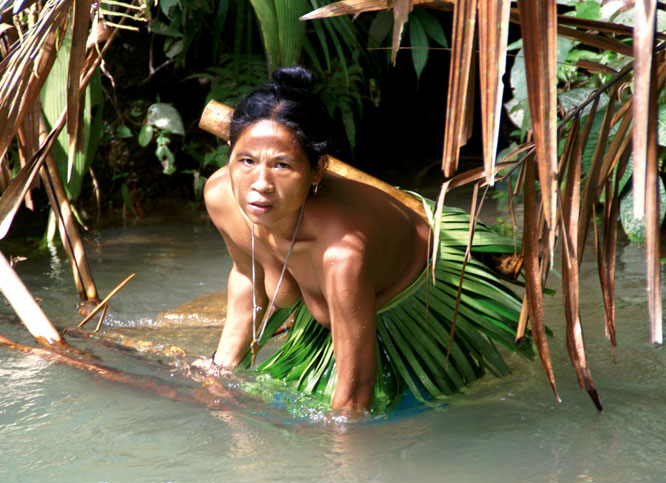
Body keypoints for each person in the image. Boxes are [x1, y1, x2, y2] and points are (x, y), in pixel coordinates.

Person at [198, 66, 529, 413]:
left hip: (414, 308)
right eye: (246, 160)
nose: (260, 182)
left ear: (318, 171)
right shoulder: (221, 197)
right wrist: (219, 373)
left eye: (282, 166)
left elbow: (355, 396)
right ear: (229, 154)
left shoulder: (341, 255)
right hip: (339, 301)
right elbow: (248, 277)